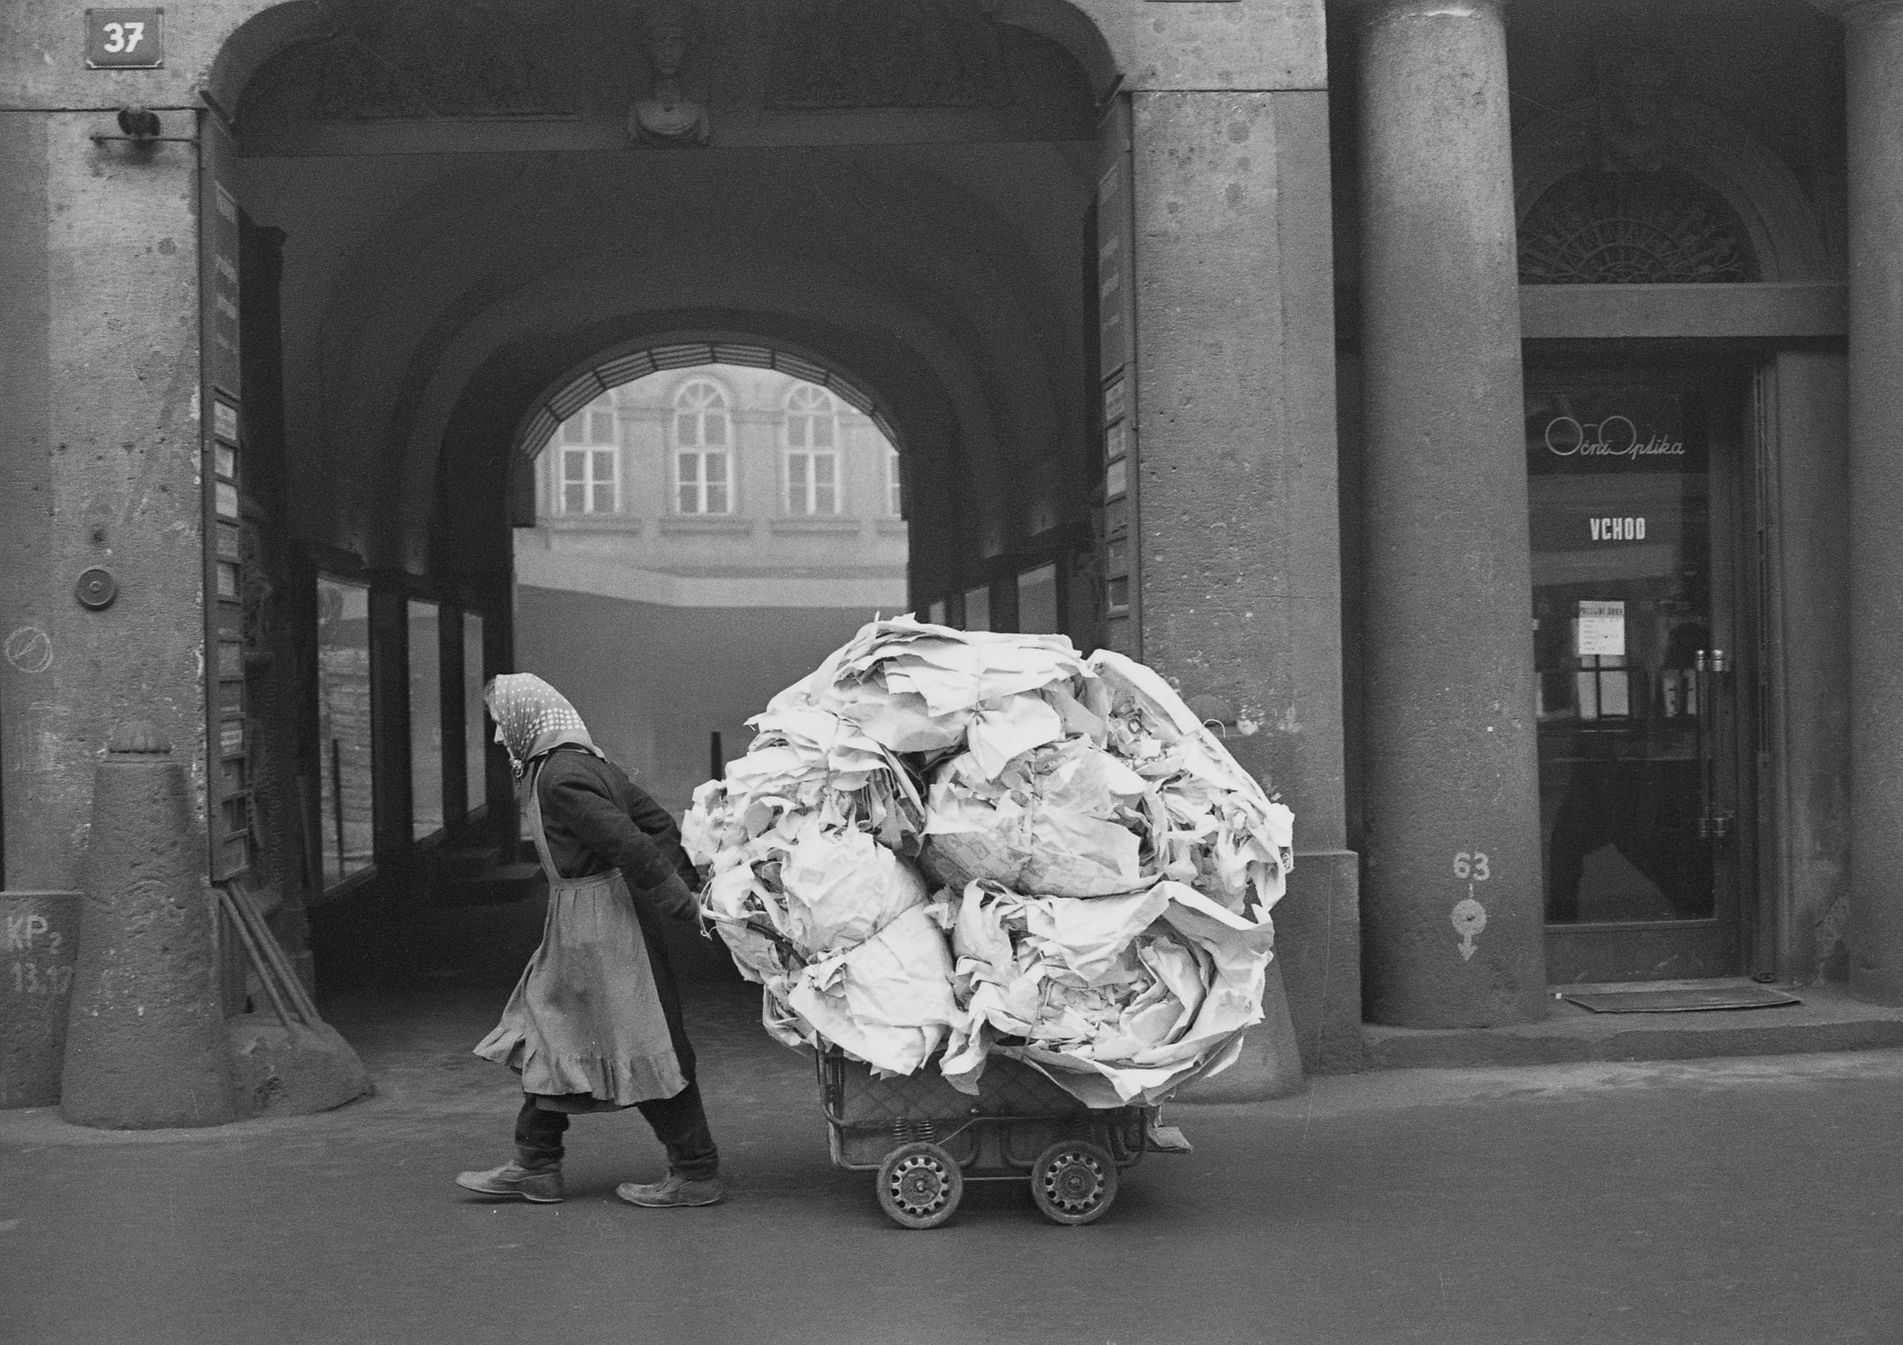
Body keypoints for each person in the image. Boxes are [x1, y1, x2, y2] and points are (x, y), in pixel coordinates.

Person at [456, 674, 723, 1207]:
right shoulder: (588, 763)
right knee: (546, 1031)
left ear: (529, 720)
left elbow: (627, 839)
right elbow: (658, 824)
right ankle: (536, 1165)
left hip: (602, 926)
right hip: (582, 921)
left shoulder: (559, 775)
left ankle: (695, 1171)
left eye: (502, 726)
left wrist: (681, 901)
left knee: (642, 1039)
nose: (498, 739)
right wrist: (679, 885)